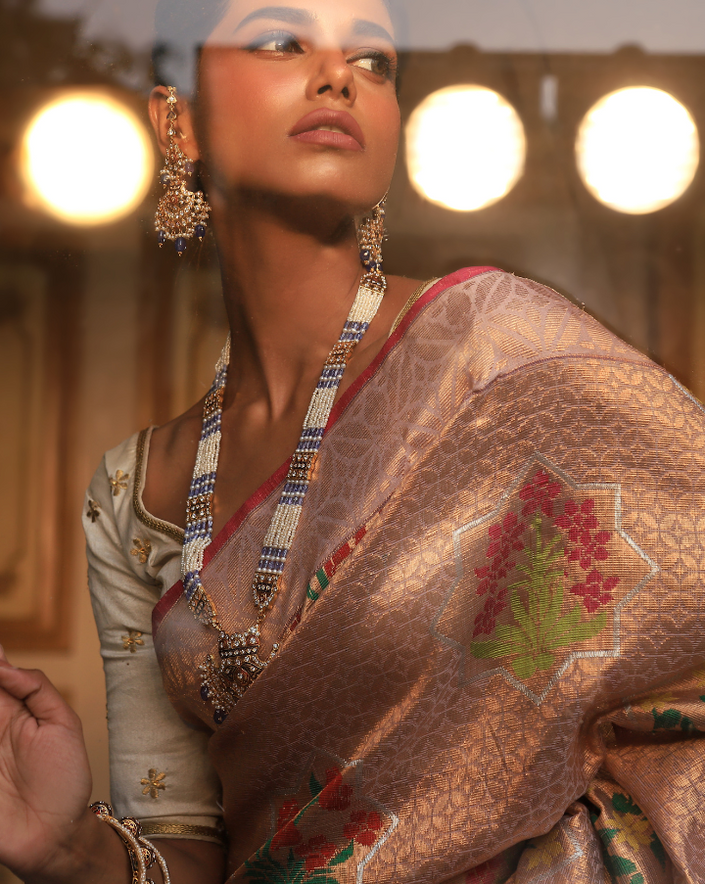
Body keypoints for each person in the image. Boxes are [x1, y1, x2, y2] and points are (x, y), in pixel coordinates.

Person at [2, 0, 705, 881]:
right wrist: (72, 852)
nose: (339, 74)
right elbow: (188, 854)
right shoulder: (134, 497)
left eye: (373, 62)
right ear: (175, 120)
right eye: (279, 39)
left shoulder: (496, 356)